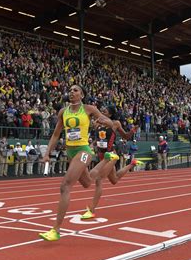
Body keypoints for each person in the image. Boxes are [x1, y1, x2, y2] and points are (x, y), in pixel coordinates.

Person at [39, 85, 117, 241]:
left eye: (75, 90)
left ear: (82, 94)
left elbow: (110, 123)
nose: (72, 92)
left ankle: (56, 230)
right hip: (70, 152)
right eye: (70, 90)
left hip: (84, 151)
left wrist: (104, 121)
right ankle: (108, 159)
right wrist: (47, 153)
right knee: (88, 182)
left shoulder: (89, 109)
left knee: (65, 185)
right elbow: (55, 135)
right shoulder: (63, 112)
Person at [80, 105, 141, 221]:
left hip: (111, 155)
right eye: (102, 110)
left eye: (105, 110)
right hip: (101, 155)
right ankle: (132, 164)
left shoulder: (115, 123)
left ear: (110, 114)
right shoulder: (97, 123)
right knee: (114, 179)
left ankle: (91, 210)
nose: (102, 110)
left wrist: (133, 130)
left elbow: (126, 136)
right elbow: (97, 139)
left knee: (98, 179)